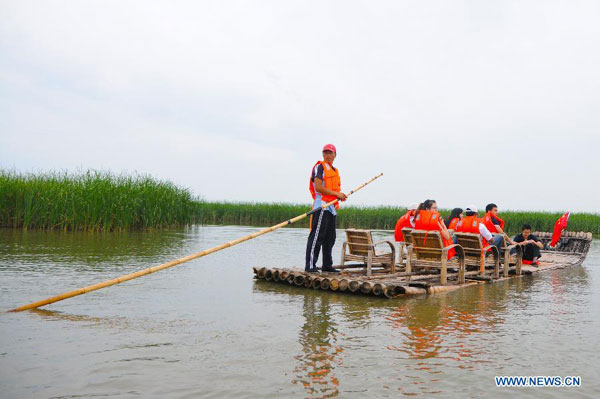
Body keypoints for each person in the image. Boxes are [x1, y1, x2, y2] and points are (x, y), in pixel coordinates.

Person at [305, 144, 347, 273]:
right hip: (321, 206)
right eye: (326, 153)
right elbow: (318, 187)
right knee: (317, 237)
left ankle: (327, 266)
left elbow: (334, 191)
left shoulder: (335, 170)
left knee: (330, 238)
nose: (328, 155)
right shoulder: (320, 167)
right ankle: (310, 266)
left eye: (331, 153)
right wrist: (336, 194)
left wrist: (340, 196)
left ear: (335, 155)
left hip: (331, 208)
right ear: (323, 154)